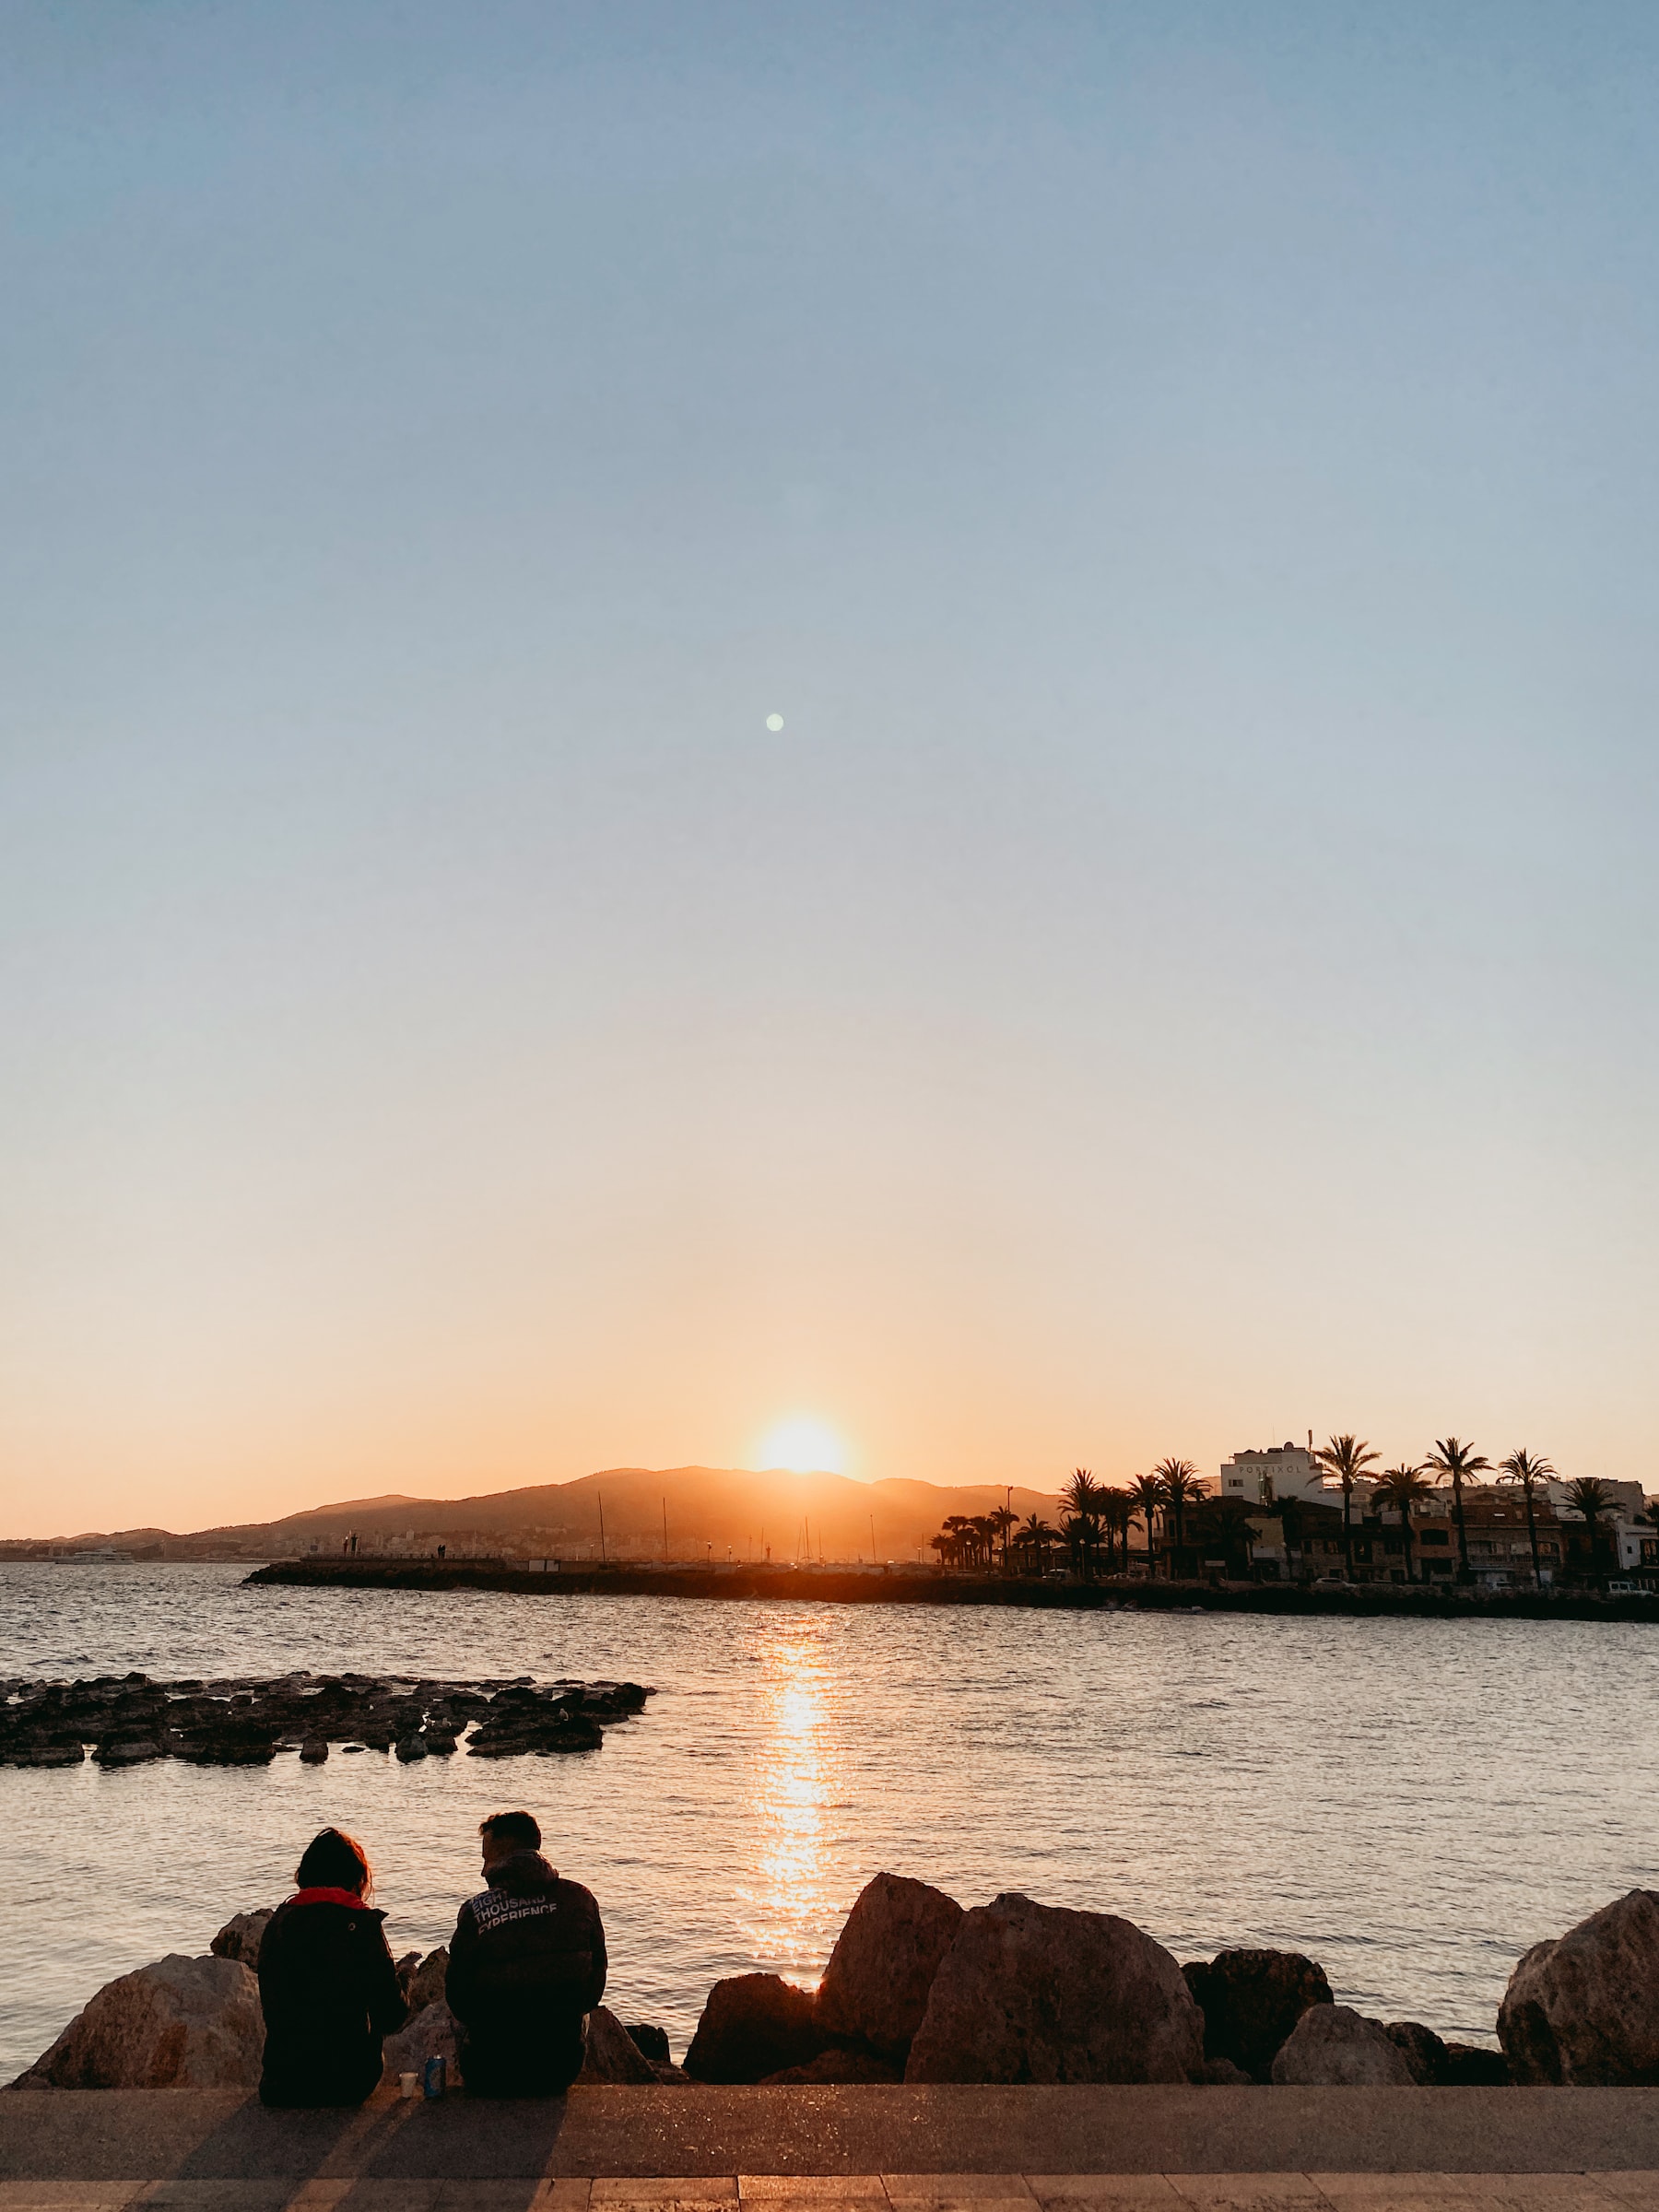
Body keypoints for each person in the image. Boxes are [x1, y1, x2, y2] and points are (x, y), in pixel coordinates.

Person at [446, 1809, 607, 2097]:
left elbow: (458, 1999)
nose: (483, 1871)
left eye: (487, 1859)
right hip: (560, 2068)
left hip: (490, 2069)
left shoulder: (475, 1911)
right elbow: (593, 1990)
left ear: (505, 1856)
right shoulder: (581, 1898)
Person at [256, 1827, 407, 2107]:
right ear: (356, 1879)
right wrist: (404, 1983)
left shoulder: (278, 1924)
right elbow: (391, 2017)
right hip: (347, 2083)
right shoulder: (361, 1926)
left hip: (282, 2082)